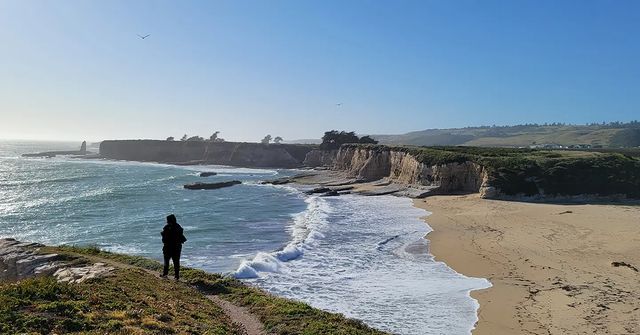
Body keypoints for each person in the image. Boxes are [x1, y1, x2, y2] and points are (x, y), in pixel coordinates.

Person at [161, 214, 187, 280]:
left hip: (168, 247)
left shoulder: (166, 227)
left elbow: (164, 239)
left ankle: (165, 274)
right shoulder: (178, 227)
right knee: (176, 262)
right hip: (177, 247)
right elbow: (181, 237)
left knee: (167, 261)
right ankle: (176, 276)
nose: (166, 221)